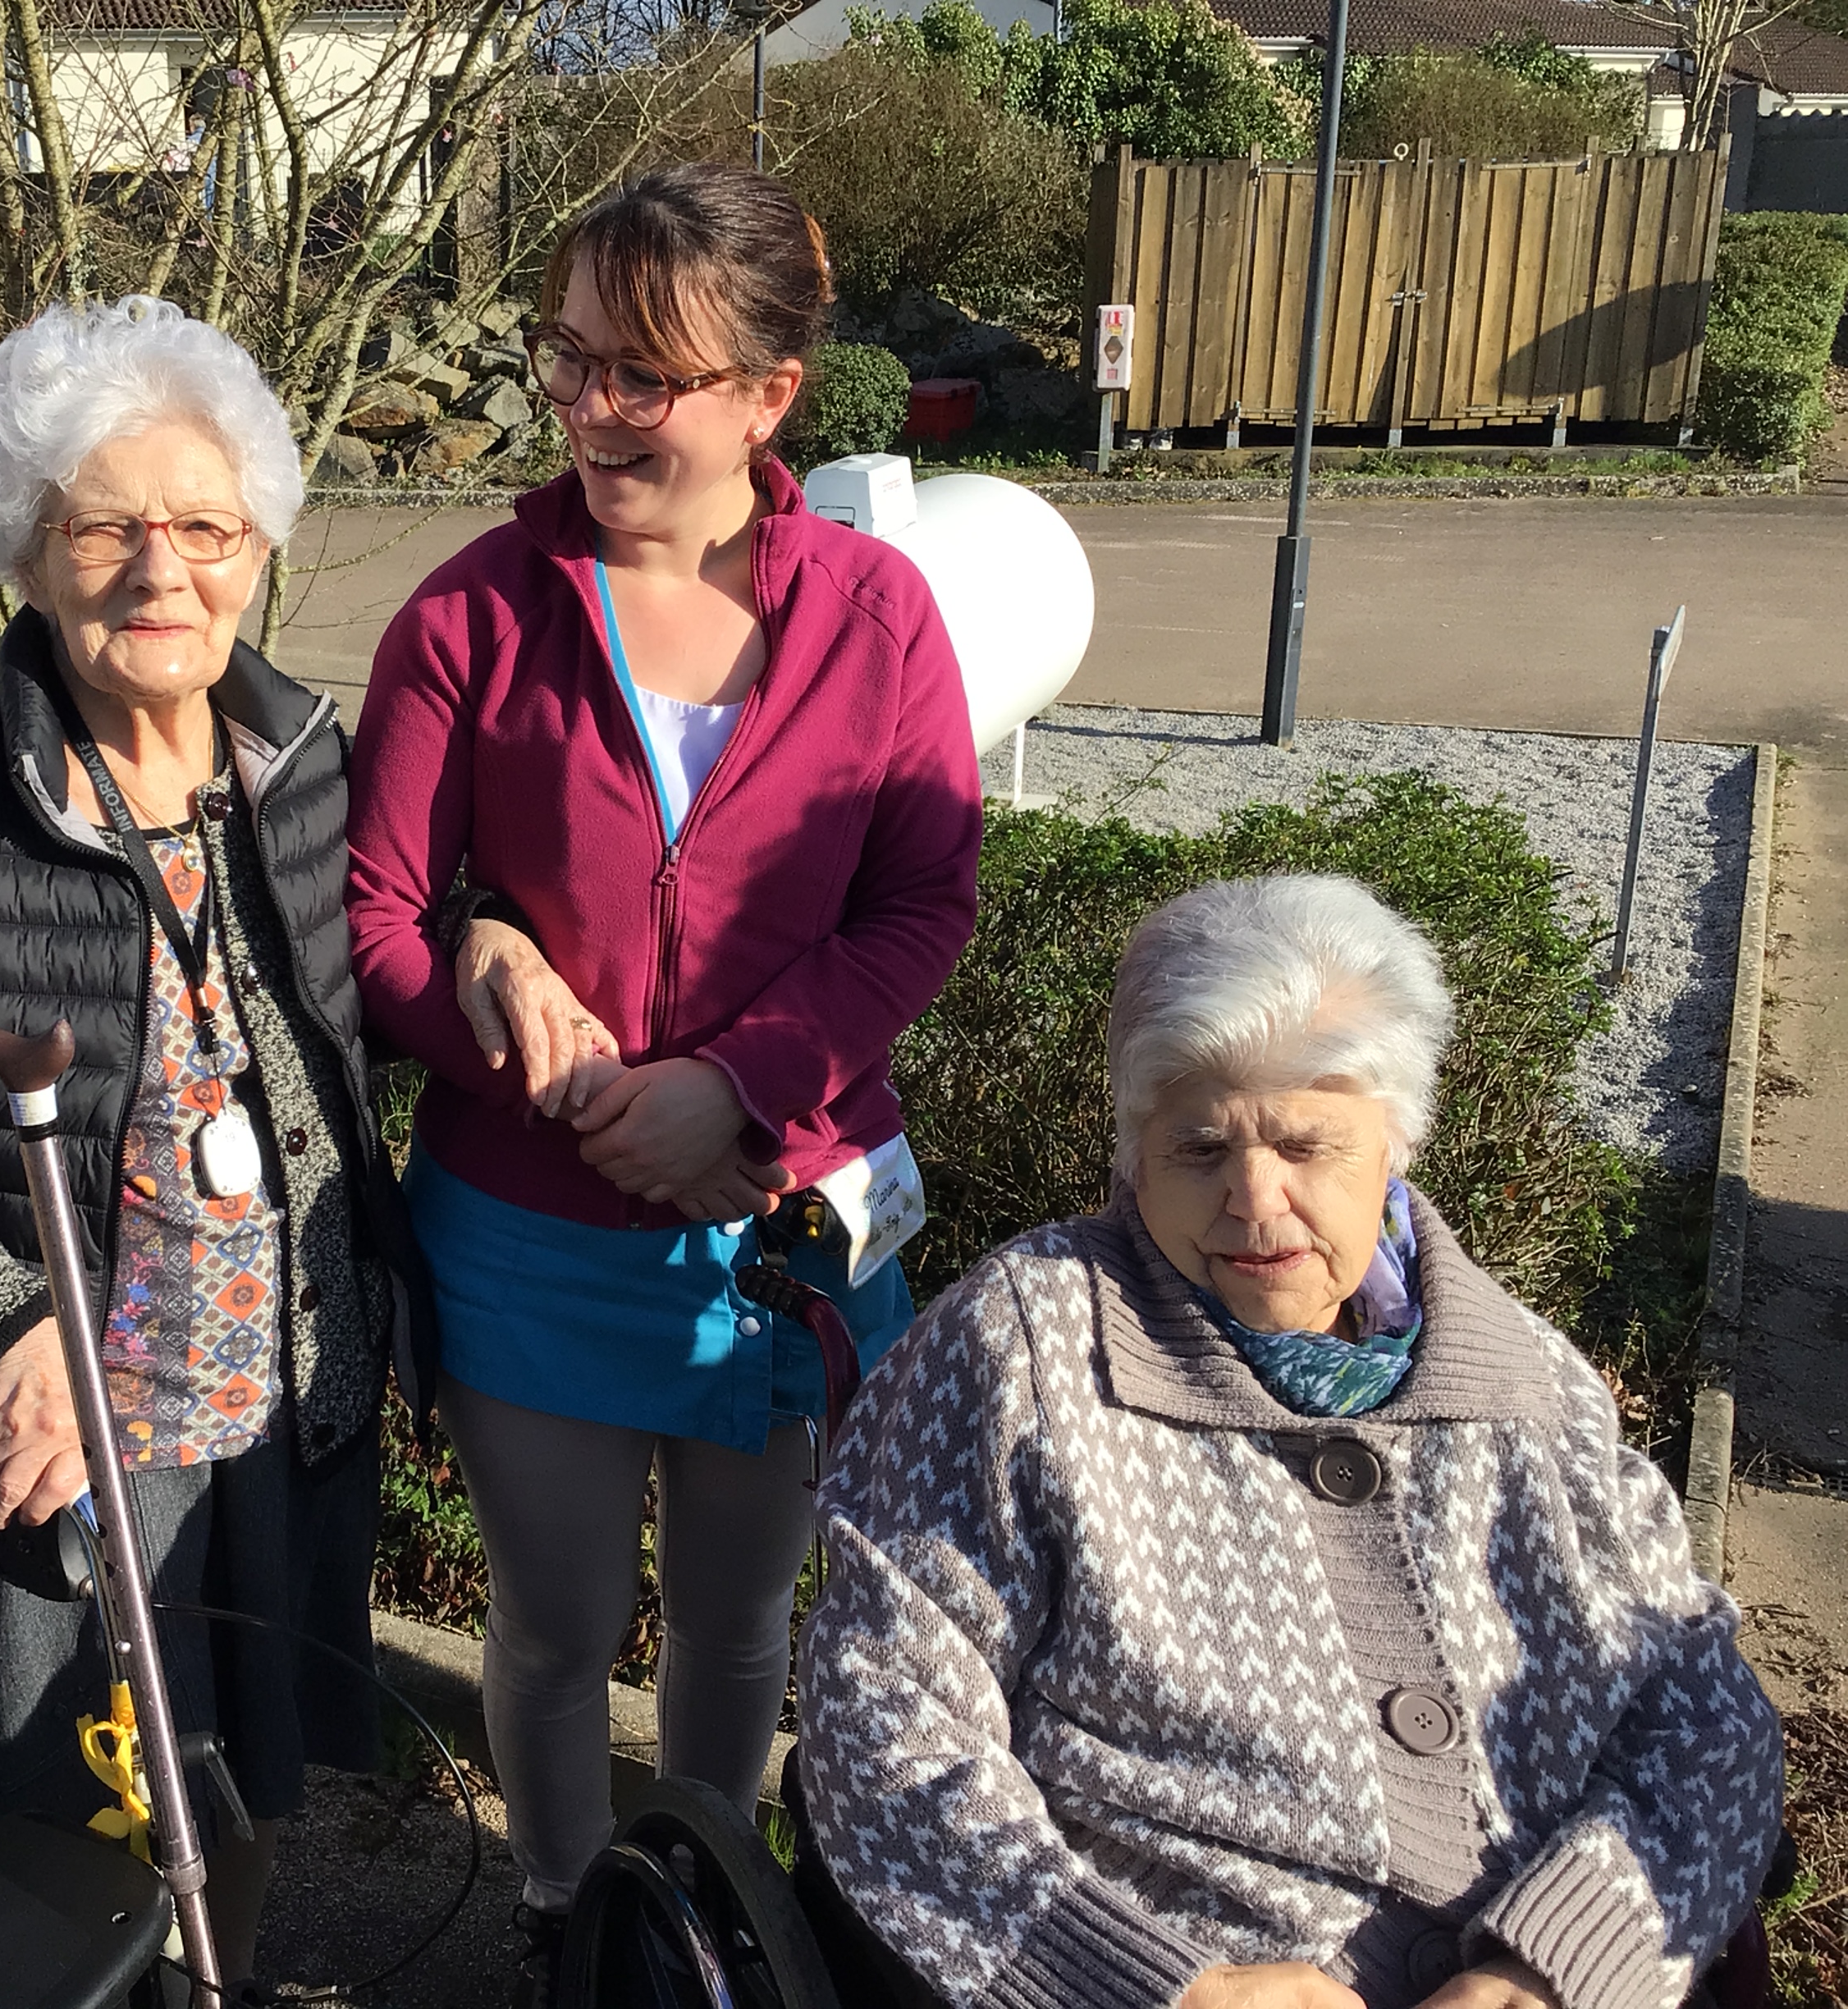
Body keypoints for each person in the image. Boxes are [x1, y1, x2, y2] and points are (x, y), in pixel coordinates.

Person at [344, 162, 983, 1995]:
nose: (593, 407)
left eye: (648, 375)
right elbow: (376, 918)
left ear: (772, 394)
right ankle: (566, 1923)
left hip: (787, 1221)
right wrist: (555, 1068)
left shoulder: (878, 615)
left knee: (737, 1624)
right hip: (530, 1234)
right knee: (550, 1634)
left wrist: (743, 1090)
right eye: (570, 358)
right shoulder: (468, 620)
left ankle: (707, 1926)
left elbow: (924, 901)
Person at [0, 294, 427, 1988]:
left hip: (282, 1400)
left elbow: (393, 986)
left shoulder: (307, 762)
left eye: (205, 527)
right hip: (66, 1429)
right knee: (70, 1834)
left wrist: (500, 951)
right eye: (105, 528)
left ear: (260, 546)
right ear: (29, 548)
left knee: (238, 1791)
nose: (160, 572)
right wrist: (5, 1318)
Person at [796, 873, 1785, 2009]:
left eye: (1307, 1147)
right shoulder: (1022, 1348)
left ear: (1395, 1143)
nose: (1255, 1201)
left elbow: (1705, 1719)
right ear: (1134, 1150)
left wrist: (1556, 1967)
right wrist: (1152, 1983)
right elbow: (884, 1719)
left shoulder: (1528, 1383)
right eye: (1200, 1148)